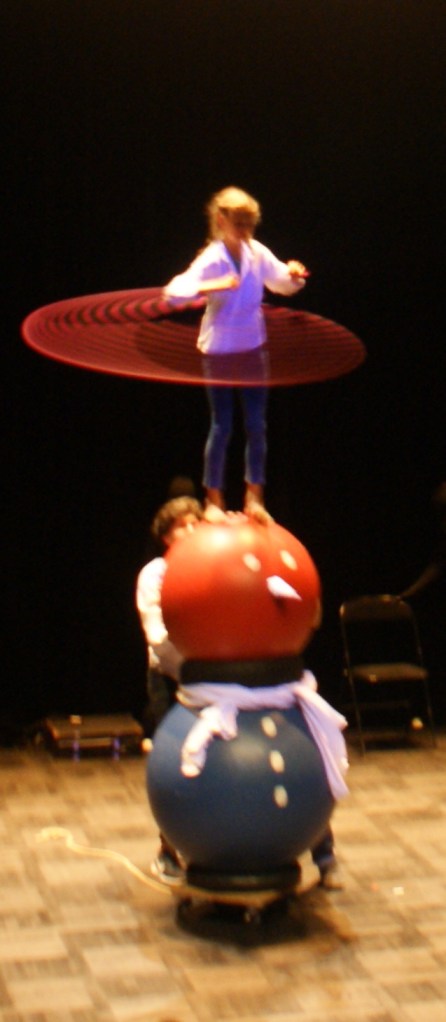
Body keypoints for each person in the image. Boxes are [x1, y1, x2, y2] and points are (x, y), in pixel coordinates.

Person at [162, 186, 309, 513]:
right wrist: (212, 285)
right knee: (222, 425)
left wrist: (294, 275)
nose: (244, 230)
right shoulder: (213, 257)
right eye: (238, 223)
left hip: (253, 346)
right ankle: (213, 500)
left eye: (249, 224)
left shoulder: (257, 252)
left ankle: (255, 497)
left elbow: (281, 282)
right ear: (221, 220)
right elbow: (173, 293)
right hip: (219, 350)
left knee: (257, 424)